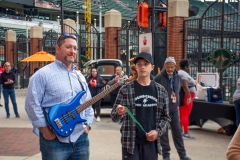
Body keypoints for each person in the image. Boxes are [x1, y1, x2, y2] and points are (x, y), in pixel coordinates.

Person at [25, 32, 94, 160]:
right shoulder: (42, 75)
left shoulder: (79, 76)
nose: (72, 51)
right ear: (57, 49)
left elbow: (88, 103)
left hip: (80, 139)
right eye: (68, 47)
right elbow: (32, 105)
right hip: (55, 141)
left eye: (75, 48)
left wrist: (88, 125)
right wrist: (46, 132)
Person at [111, 52, 171, 160]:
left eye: (146, 64)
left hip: (151, 143)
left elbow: (166, 117)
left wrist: (157, 132)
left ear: (152, 67)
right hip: (130, 143)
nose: (142, 66)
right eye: (139, 64)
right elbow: (114, 116)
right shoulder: (125, 89)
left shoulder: (161, 91)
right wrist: (119, 112)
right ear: (135, 67)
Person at [154, 57, 191, 160]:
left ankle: (182, 154)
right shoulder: (158, 77)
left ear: (175, 67)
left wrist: (186, 98)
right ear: (164, 66)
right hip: (162, 111)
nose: (170, 69)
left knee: (178, 133)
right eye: (168, 66)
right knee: (164, 134)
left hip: (174, 110)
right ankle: (166, 154)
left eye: (172, 66)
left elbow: (180, 89)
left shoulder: (178, 77)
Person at [178, 59, 197, 140]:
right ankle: (185, 133)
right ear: (185, 67)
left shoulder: (179, 73)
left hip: (184, 95)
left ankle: (181, 132)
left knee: (182, 114)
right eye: (189, 66)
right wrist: (189, 96)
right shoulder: (183, 74)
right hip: (187, 95)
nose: (189, 68)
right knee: (185, 115)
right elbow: (185, 85)